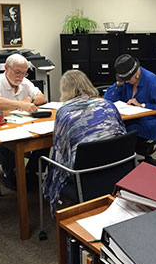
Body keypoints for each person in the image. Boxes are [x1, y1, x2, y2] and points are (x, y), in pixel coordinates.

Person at [43, 70, 126, 212]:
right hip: (118, 166)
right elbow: (123, 135)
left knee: (48, 160)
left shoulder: (65, 112)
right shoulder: (107, 104)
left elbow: (60, 150)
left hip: (84, 172)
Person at [0, 53, 48, 190]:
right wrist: (20, 104)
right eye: (17, 72)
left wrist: (30, 100)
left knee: (46, 138)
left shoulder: (24, 82)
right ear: (6, 68)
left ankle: (32, 171)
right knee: (9, 145)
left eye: (24, 73)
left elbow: (42, 98)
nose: (20, 77)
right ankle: (10, 175)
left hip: (23, 123)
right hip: (0, 126)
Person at [104, 54, 156, 153]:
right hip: (132, 118)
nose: (127, 81)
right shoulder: (125, 82)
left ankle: (125, 162)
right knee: (110, 127)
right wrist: (118, 84)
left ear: (137, 72)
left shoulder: (152, 81)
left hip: (150, 121)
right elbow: (108, 99)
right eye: (124, 79)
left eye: (128, 78)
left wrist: (142, 105)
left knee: (120, 133)